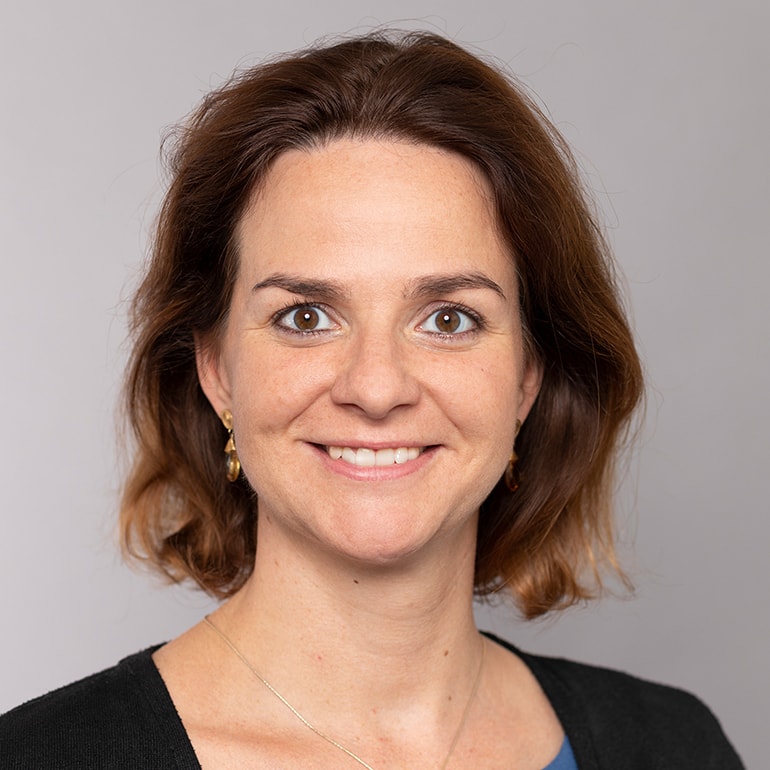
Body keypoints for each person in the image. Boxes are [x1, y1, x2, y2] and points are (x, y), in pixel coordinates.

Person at [0, 30, 743, 769]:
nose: (377, 388)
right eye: (306, 317)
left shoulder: (675, 747)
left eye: (449, 318)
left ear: (529, 375)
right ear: (217, 368)